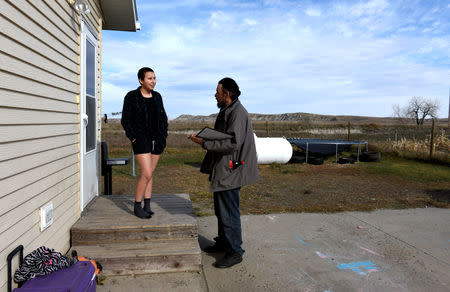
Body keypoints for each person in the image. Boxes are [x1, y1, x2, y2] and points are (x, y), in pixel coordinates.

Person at [189, 77, 259, 268]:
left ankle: (235, 252)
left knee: (229, 212)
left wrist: (204, 142)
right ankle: (223, 243)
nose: (215, 94)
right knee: (222, 210)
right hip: (225, 168)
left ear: (227, 94)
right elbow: (225, 137)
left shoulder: (237, 113)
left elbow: (232, 143)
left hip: (231, 169)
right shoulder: (229, 110)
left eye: (218, 91)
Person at [121, 67, 168, 219]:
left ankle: (147, 205)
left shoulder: (157, 96)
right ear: (141, 80)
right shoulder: (131, 96)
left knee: (151, 173)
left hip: (157, 140)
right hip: (141, 140)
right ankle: (137, 205)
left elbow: (163, 118)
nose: (153, 81)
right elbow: (125, 120)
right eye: (149, 78)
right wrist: (133, 137)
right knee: (146, 173)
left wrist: (163, 135)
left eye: (154, 78)